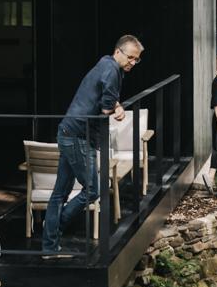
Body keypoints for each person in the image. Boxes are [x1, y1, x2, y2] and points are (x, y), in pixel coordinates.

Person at [43, 34, 143, 257]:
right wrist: (114, 107)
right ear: (119, 52)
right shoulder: (112, 70)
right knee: (92, 190)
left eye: (137, 60)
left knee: (61, 193)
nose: (133, 63)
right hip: (78, 135)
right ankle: (55, 227)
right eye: (131, 58)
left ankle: (49, 245)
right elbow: (106, 106)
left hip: (69, 132)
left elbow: (104, 96)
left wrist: (115, 105)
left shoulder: (105, 63)